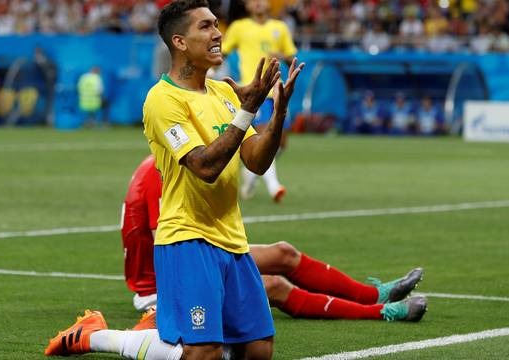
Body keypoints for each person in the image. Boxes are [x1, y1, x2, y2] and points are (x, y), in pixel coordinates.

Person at [42, 155, 427, 357]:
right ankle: (381, 311)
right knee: (272, 286)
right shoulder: (165, 169)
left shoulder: (170, 161)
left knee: (283, 254)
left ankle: (371, 294)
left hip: (196, 253)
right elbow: (170, 242)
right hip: (164, 281)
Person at [136, 0, 300, 358]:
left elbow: (255, 161)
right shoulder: (162, 100)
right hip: (187, 239)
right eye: (206, 27)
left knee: (258, 348)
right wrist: (247, 110)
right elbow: (204, 167)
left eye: (216, 25)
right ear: (180, 42)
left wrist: (279, 113)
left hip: (233, 239)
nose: (217, 33)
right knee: (204, 350)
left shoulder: (224, 93)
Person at [222, 0, 298, 202]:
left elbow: (292, 58)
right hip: (254, 91)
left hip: (277, 91)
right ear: (247, 6)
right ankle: (274, 186)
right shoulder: (239, 27)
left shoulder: (279, 28)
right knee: (266, 135)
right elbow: (222, 52)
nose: (257, 3)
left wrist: (281, 55)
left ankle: (252, 174)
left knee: (281, 143)